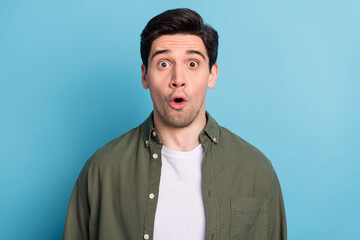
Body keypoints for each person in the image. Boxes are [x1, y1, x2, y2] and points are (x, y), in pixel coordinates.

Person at [62, 8, 287, 240]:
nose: (178, 79)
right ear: (145, 76)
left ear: (212, 75)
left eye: (192, 63)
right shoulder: (102, 170)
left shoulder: (256, 171)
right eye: (163, 64)